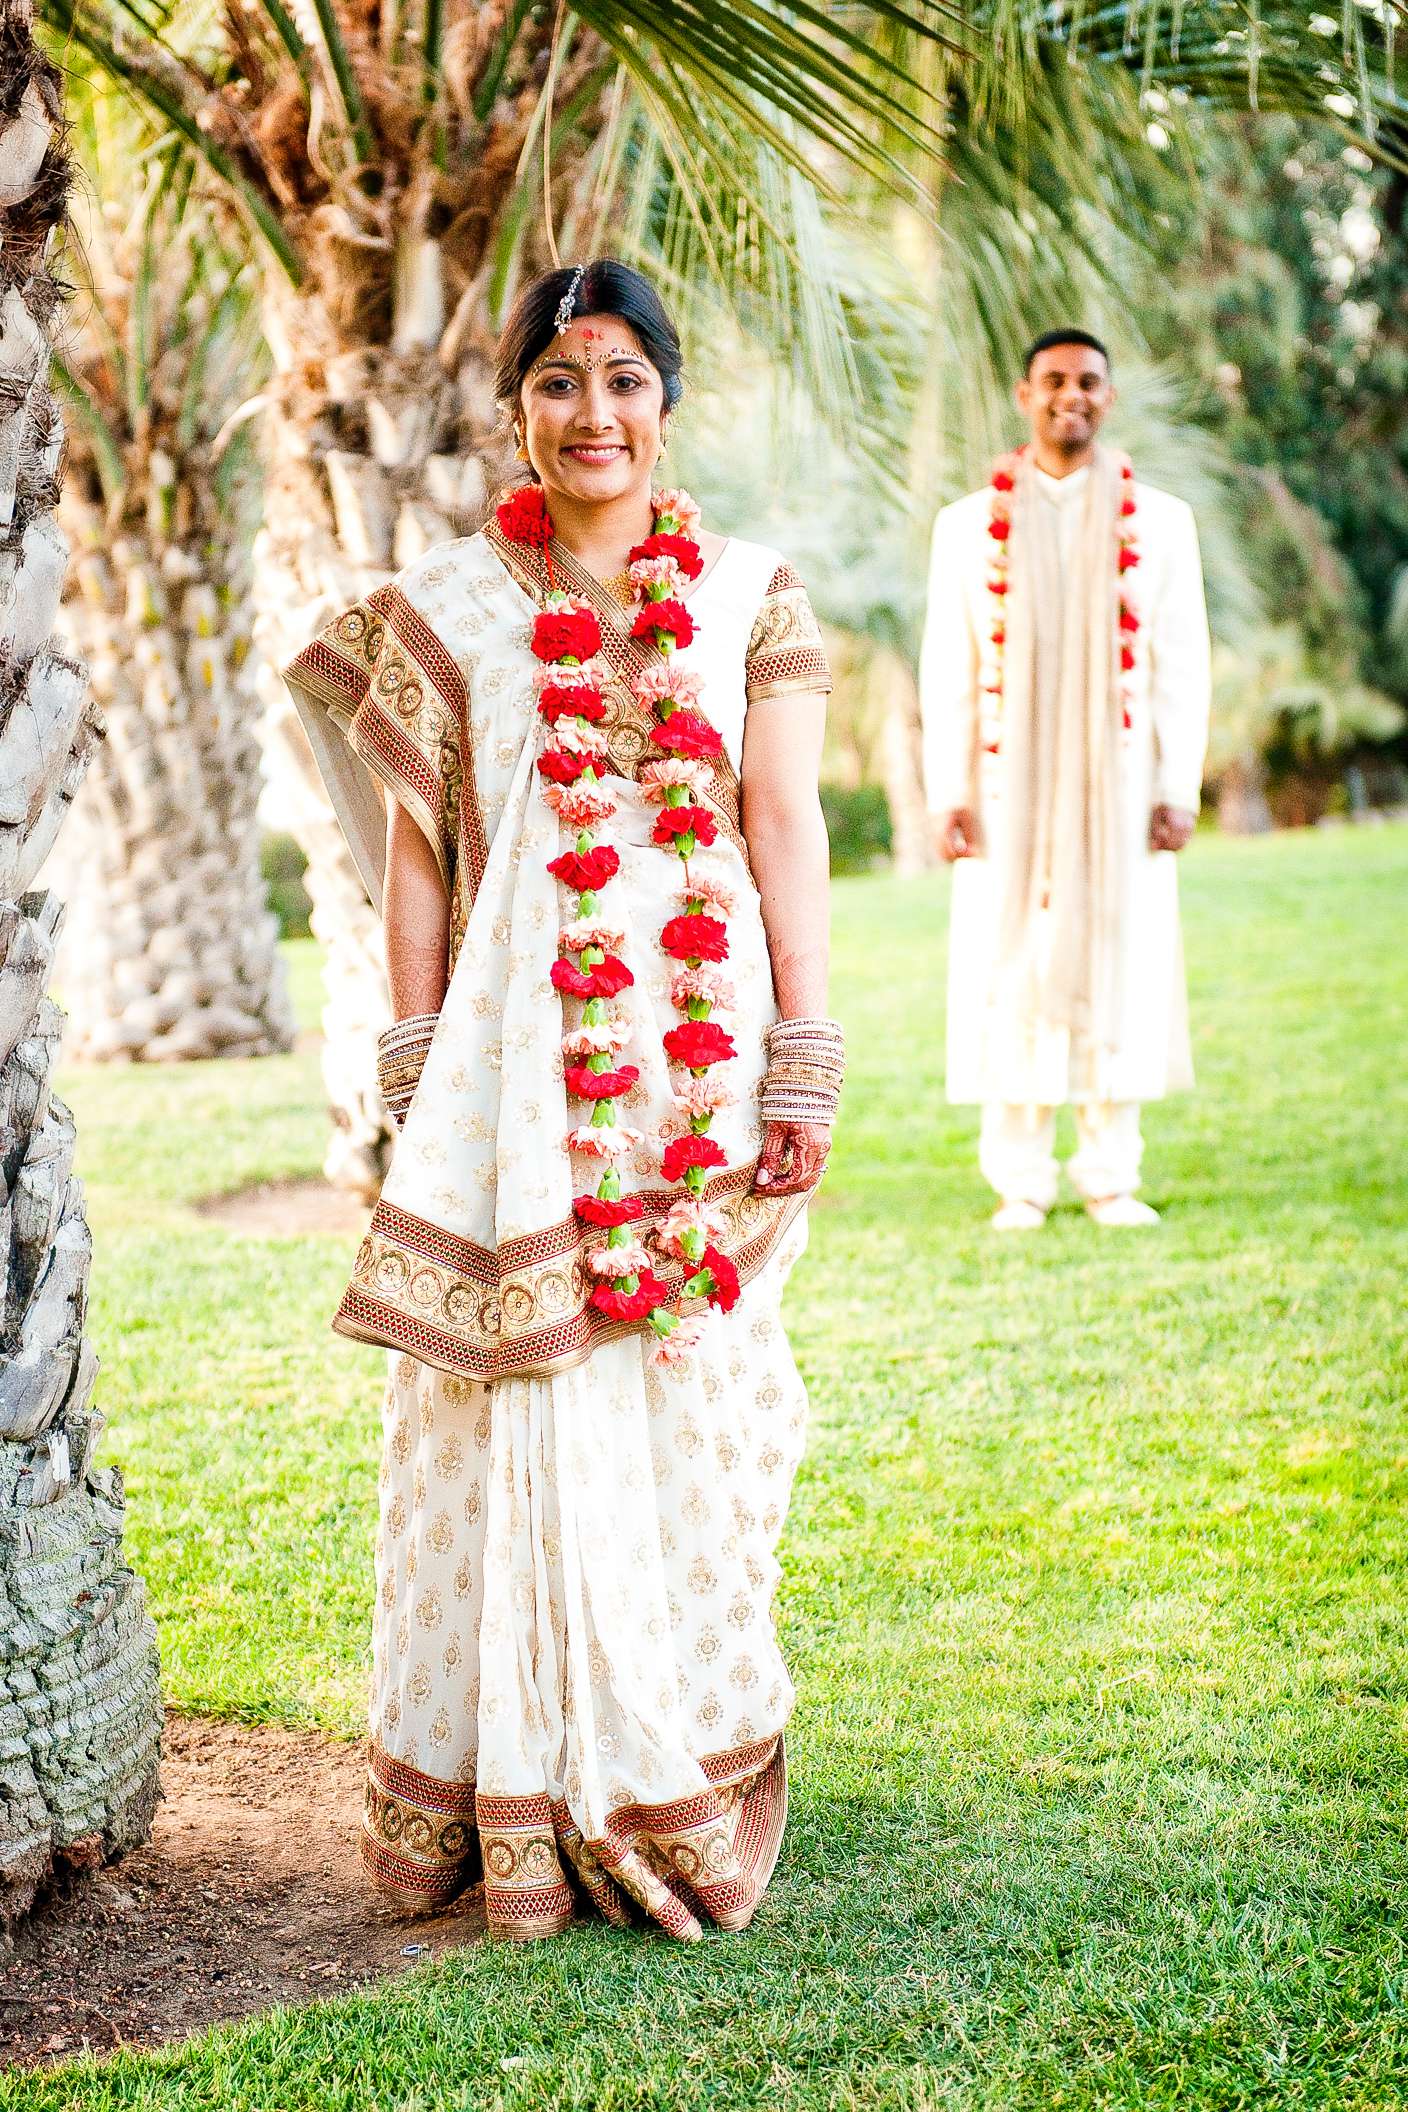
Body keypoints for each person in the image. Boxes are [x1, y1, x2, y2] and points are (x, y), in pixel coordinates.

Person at [282, 259, 843, 1941]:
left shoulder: (749, 590)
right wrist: (406, 1062)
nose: (590, 415)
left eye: (622, 380)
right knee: (502, 1415)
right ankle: (507, 1791)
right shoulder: (444, 609)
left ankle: (663, 1750)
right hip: (513, 1081)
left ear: (665, 401)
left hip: (698, 1059)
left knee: (704, 1395)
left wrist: (802, 1049)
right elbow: (417, 861)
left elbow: (784, 827)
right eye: (555, 382)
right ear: (510, 405)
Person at [919, 329, 1211, 1230]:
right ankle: (1020, 1181)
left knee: (1121, 954)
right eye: (1053, 381)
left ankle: (1109, 1173)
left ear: (1108, 398)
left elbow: (1180, 663)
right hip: (1007, 792)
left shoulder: (1159, 523)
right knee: (1011, 964)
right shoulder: (968, 526)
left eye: (1088, 382)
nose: (1069, 397)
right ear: (1024, 393)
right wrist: (950, 792)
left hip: (1118, 789)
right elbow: (949, 665)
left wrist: (1177, 788)